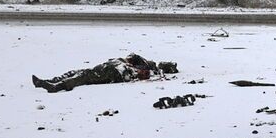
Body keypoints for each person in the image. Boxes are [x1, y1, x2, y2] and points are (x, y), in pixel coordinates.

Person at [32, 53, 178, 93]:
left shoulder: (149, 69)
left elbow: (138, 73)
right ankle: (50, 81)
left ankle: (55, 86)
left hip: (112, 73)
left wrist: (128, 65)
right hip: (108, 68)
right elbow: (131, 57)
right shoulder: (141, 61)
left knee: (83, 76)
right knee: (79, 72)